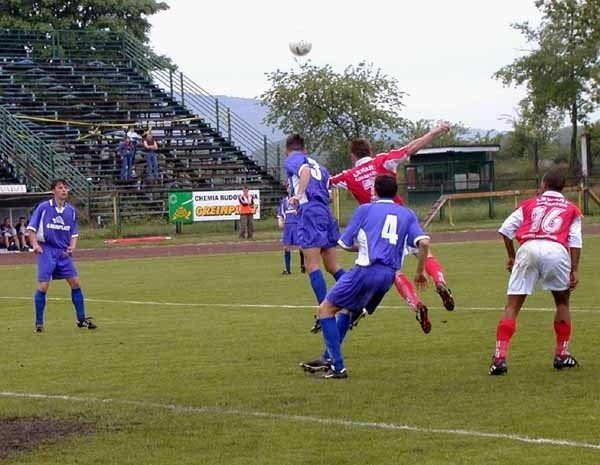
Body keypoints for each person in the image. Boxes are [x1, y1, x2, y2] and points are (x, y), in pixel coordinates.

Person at [328, 123, 454, 334]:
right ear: (370, 151)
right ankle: (440, 282)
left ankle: (415, 303)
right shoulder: (384, 160)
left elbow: (326, 182)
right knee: (424, 250)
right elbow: (411, 148)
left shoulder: (348, 175)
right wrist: (435, 132)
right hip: (401, 219)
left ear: (353, 156)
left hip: (375, 228)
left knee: (394, 271)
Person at [301, 175, 430, 378]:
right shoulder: (407, 214)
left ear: (375, 191)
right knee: (347, 311)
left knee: (325, 309)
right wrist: (420, 271)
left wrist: (361, 247)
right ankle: (329, 357)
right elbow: (423, 243)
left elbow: (344, 243)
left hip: (366, 270)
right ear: (396, 192)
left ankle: (338, 366)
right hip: (388, 276)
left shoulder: (366, 209)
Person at [488, 169, 582, 376]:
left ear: (544, 185)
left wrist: (512, 256)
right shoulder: (572, 208)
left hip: (528, 248)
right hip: (557, 251)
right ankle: (562, 355)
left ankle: (499, 359)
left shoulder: (530, 203)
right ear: (562, 188)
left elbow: (505, 229)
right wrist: (574, 269)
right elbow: (575, 241)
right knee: (562, 303)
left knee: (512, 306)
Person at [27, 179, 97, 332]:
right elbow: (31, 229)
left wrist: (72, 247)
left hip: (63, 252)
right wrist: (35, 245)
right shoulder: (44, 207)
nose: (64, 190)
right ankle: (39, 323)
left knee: (76, 283)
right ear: (54, 191)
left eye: (66, 188)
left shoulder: (70, 211)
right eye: (60, 188)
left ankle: (81, 319)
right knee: (43, 286)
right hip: (47, 250)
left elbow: (74, 233)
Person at [285, 134, 345, 306]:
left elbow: (304, 171)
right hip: (325, 211)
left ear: (287, 151)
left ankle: (324, 310)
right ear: (306, 149)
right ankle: (356, 302)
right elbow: (329, 189)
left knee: (311, 265)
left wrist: (299, 194)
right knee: (332, 266)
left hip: (310, 212)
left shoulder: (293, 159)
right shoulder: (319, 165)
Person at [277, 194, 305, 274]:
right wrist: (280, 220)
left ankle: (303, 264)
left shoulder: (298, 200)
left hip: (297, 225)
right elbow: (281, 213)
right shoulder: (284, 201)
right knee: (286, 247)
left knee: (301, 246)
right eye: (288, 186)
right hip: (288, 226)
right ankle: (287, 269)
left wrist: (298, 212)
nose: (289, 187)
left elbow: (302, 210)